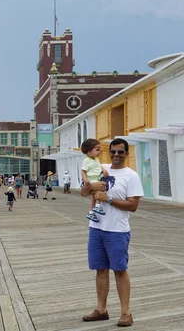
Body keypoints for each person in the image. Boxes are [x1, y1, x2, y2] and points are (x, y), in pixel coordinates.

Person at [80, 138, 143, 327]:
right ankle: (101, 309)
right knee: (100, 269)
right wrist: (89, 186)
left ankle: (126, 313)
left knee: (120, 270)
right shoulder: (100, 167)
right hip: (96, 228)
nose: (116, 155)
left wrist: (108, 199)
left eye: (120, 152)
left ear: (126, 154)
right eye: (113, 151)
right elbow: (84, 193)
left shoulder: (131, 176)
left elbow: (133, 206)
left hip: (117, 231)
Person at [81, 138, 110, 222]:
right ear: (89, 151)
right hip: (92, 180)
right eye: (97, 150)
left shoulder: (96, 160)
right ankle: (97, 206)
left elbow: (99, 167)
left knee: (93, 198)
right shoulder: (86, 161)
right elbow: (83, 171)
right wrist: (85, 180)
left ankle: (90, 212)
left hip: (96, 179)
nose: (99, 152)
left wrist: (104, 170)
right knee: (102, 189)